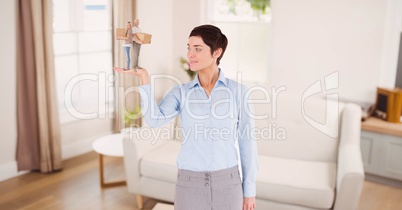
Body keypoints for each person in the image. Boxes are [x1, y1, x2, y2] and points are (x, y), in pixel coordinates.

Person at [118, 25, 258, 210]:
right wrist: (144, 78)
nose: (190, 54)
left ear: (217, 52)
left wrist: (249, 191)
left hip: (228, 183)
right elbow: (154, 120)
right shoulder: (181, 93)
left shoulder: (238, 92)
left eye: (197, 49)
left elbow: (247, 143)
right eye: (189, 47)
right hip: (189, 184)